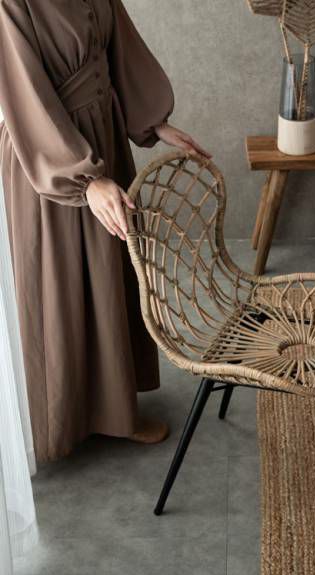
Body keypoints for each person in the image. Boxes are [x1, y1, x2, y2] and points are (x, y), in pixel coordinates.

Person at [0, 0, 210, 461]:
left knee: (107, 274)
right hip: (51, 160)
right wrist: (83, 178)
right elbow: (23, 92)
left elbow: (119, 49)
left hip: (103, 139)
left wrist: (154, 122)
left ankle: (112, 412)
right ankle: (60, 422)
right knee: (62, 286)